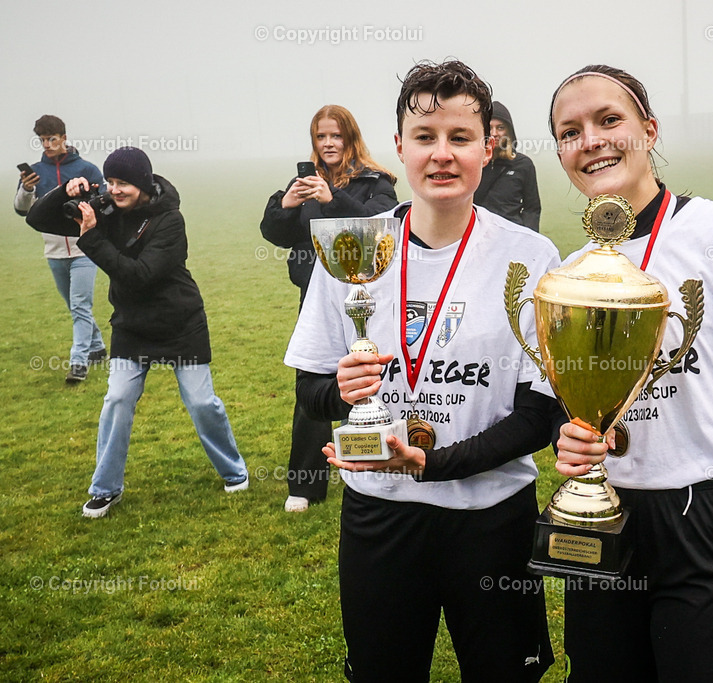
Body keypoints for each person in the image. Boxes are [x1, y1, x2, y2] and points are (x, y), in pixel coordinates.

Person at [284, 60, 558, 681]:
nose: (442, 154)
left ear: (487, 148)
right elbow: (311, 389)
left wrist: (432, 464)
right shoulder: (353, 245)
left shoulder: (531, 257)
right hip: (380, 514)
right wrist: (340, 389)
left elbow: (539, 416)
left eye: (460, 138)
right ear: (400, 146)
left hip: (491, 516)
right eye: (426, 137)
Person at [548, 65, 713, 682]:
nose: (590, 140)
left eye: (608, 120)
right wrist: (579, 438)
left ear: (648, 130)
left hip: (709, 520)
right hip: (606, 517)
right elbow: (587, 413)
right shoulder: (572, 273)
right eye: (570, 131)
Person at [27, 147, 248, 518]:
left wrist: (92, 238)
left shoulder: (170, 221)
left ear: (143, 183)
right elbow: (37, 219)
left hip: (180, 322)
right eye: (110, 181)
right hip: (132, 325)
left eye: (123, 183)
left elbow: (140, 275)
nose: (115, 189)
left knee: (201, 403)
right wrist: (64, 193)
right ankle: (105, 489)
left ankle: (234, 471)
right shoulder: (104, 210)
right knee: (117, 399)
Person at [260, 105, 398, 513]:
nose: (328, 144)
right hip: (314, 298)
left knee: (369, 378)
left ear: (350, 138)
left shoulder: (377, 181)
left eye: (336, 136)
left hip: (366, 298)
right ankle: (305, 485)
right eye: (321, 137)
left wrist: (332, 198)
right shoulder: (302, 182)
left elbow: (383, 222)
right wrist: (285, 204)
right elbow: (276, 234)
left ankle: (376, 457)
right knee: (314, 383)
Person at [14, 115, 106, 383]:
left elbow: (103, 202)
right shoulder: (34, 172)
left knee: (80, 306)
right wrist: (27, 190)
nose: (47, 144)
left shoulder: (87, 169)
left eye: (52, 138)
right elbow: (22, 211)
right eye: (42, 139)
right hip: (53, 252)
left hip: (84, 250)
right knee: (75, 306)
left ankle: (79, 364)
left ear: (64, 138)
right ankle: (97, 346)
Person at [473, 101, 542, 231]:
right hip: (477, 235)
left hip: (512, 237)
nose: (494, 133)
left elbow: (532, 208)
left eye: (500, 127)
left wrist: (529, 237)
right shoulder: (473, 163)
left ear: (509, 132)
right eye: (490, 127)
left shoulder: (523, 164)